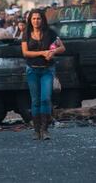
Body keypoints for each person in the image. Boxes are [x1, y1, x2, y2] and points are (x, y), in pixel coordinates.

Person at [21, 9, 66, 140]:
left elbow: (62, 47)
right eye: (34, 18)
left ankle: (45, 130)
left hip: (47, 70)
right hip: (32, 70)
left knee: (45, 99)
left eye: (38, 18)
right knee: (35, 101)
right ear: (30, 20)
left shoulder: (50, 33)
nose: (36, 21)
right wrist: (42, 53)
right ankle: (36, 130)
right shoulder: (26, 34)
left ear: (43, 20)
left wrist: (53, 52)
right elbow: (25, 53)